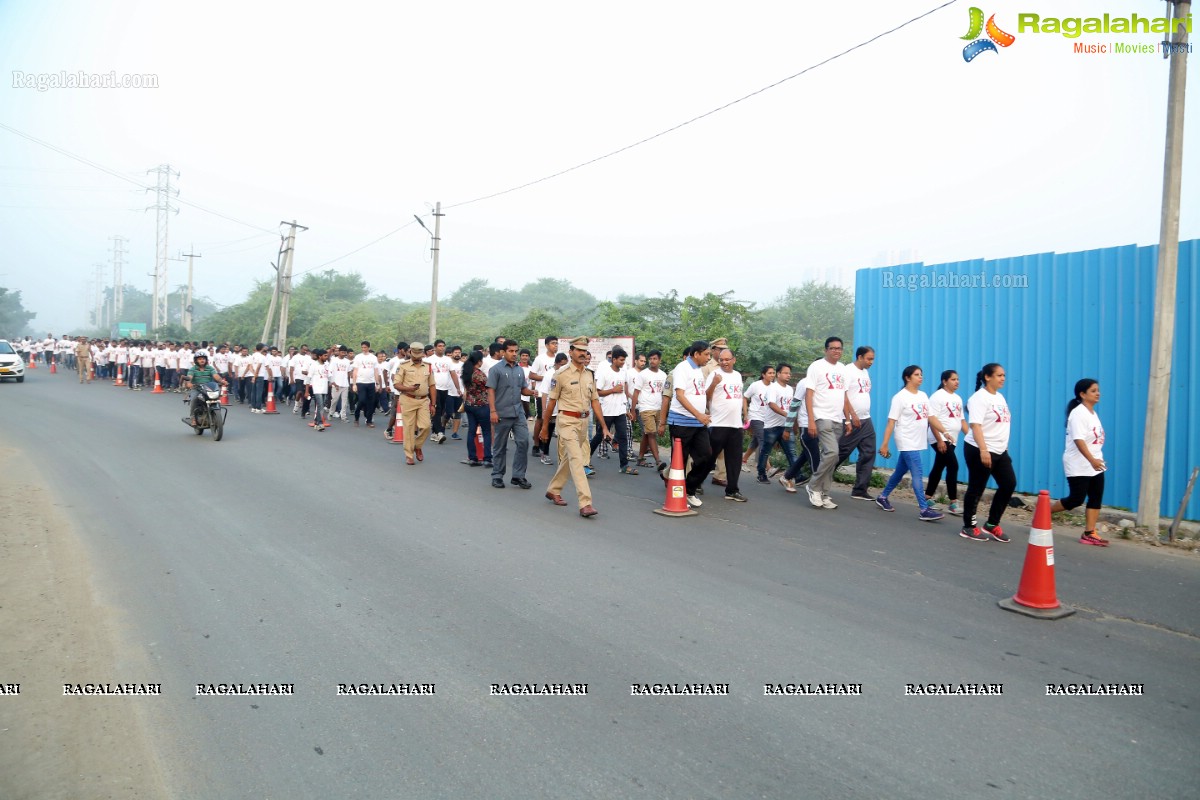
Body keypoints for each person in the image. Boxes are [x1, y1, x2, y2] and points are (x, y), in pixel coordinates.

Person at [541, 336, 608, 517]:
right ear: (571, 352)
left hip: (583, 423)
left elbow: (595, 401)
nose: (582, 353)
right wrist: (545, 426)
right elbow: (551, 402)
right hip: (566, 421)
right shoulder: (561, 375)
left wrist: (604, 426)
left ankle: (554, 490)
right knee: (578, 460)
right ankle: (585, 503)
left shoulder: (589, 375)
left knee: (569, 459)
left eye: (584, 350)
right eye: (578, 350)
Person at [875, 366, 946, 521]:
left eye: (921, 374)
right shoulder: (900, 397)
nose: (921, 377)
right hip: (906, 439)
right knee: (917, 473)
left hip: (917, 439)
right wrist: (885, 444)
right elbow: (891, 422)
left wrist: (944, 432)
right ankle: (924, 508)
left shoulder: (923, 395)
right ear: (908, 378)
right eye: (916, 375)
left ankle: (882, 496)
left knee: (900, 471)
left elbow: (931, 417)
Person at [960, 363, 1015, 543]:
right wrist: (984, 450)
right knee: (977, 488)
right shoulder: (979, 398)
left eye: (1004, 375)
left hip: (999, 450)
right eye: (999, 375)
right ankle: (969, 526)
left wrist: (1003, 448)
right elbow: (975, 425)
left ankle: (991, 524)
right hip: (979, 449)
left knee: (1008, 484)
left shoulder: (999, 397)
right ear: (987, 377)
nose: (1003, 378)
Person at [1051, 379, 1108, 546]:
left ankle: (1089, 532)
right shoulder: (1078, 414)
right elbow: (1078, 440)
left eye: (1098, 390)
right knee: (1076, 499)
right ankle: (1044, 513)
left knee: (1096, 497)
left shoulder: (1092, 413)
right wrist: (1091, 460)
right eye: (1093, 391)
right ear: (1082, 394)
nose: (1098, 393)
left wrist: (1096, 460)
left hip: (1096, 463)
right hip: (1079, 463)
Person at [660, 340, 717, 508]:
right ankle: (677, 496)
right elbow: (679, 395)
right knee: (680, 463)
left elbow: (698, 394)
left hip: (698, 423)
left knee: (707, 457)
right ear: (696, 354)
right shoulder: (682, 368)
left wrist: (703, 413)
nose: (709, 357)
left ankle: (690, 490)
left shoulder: (698, 371)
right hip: (681, 423)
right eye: (706, 354)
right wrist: (698, 414)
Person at [804, 337, 850, 510]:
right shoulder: (816, 367)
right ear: (826, 350)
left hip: (838, 418)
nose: (836, 351)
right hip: (821, 416)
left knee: (832, 457)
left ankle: (824, 493)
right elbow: (809, 395)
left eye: (839, 348)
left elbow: (844, 396)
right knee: (832, 452)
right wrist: (811, 421)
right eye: (833, 348)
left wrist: (848, 419)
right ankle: (813, 486)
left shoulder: (843, 369)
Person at [487, 339, 537, 489]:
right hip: (501, 413)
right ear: (503, 352)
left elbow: (523, 389)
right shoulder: (495, 370)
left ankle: (518, 475)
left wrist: (532, 392)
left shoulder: (520, 370)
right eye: (511, 351)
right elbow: (490, 391)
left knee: (523, 442)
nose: (514, 354)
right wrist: (493, 411)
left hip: (518, 413)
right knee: (500, 446)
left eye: (516, 351)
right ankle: (497, 475)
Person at [837, 346, 878, 501]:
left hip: (865, 419)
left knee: (869, 452)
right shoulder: (848, 371)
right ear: (860, 357)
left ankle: (860, 490)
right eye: (869, 358)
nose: (871, 362)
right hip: (850, 419)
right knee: (841, 453)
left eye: (873, 358)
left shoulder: (865, 372)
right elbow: (843, 395)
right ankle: (819, 479)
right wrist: (851, 416)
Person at [925, 370, 968, 516]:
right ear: (945, 381)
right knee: (953, 465)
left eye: (958, 379)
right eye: (953, 379)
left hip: (952, 438)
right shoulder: (937, 397)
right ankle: (953, 502)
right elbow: (932, 419)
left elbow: (962, 421)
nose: (957, 382)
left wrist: (971, 436)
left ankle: (927, 497)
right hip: (939, 438)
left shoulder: (957, 398)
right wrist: (939, 440)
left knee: (939, 466)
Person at [708, 348, 747, 502]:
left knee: (734, 459)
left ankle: (732, 490)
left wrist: (745, 414)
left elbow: (740, 397)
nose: (724, 362)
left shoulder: (737, 375)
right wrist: (714, 383)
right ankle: (694, 484)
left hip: (735, 425)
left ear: (733, 360)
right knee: (709, 457)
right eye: (721, 360)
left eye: (727, 359)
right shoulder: (714, 375)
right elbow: (707, 396)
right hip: (718, 423)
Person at [589, 345, 635, 475]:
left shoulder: (623, 373)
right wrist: (612, 390)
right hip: (607, 410)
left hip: (620, 410)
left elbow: (623, 392)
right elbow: (598, 393)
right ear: (614, 359)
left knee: (623, 437)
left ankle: (624, 465)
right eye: (621, 360)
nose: (623, 362)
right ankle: (585, 459)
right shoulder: (604, 373)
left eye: (624, 360)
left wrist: (626, 409)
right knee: (599, 436)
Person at [392, 342, 437, 465]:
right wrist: (408, 388)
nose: (417, 356)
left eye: (419, 353)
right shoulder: (403, 366)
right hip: (408, 399)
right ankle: (409, 455)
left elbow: (432, 385)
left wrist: (433, 404)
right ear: (410, 352)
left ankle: (417, 445)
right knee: (409, 428)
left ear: (423, 353)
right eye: (414, 353)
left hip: (423, 400)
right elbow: (396, 384)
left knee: (426, 426)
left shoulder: (428, 366)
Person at [778, 375, 819, 493]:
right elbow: (794, 404)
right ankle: (817, 489)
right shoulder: (805, 383)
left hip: (819, 424)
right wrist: (788, 428)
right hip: (807, 424)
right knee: (814, 458)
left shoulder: (824, 384)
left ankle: (786, 477)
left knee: (806, 454)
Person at [757, 364, 797, 484]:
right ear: (778, 374)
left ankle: (796, 475)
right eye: (785, 373)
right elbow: (772, 404)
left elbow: (792, 406)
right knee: (765, 451)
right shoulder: (773, 388)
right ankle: (761, 474)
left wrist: (792, 421)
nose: (788, 375)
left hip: (786, 426)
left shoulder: (790, 389)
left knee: (791, 452)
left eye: (789, 373)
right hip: (772, 426)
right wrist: (787, 415)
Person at [631, 350, 667, 469]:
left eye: (655, 359)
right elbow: (636, 392)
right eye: (650, 359)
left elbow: (664, 394)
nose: (652, 361)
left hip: (657, 408)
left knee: (647, 433)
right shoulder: (643, 374)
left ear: (659, 360)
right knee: (651, 433)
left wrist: (663, 412)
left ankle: (640, 458)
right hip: (645, 408)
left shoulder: (663, 375)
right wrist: (633, 410)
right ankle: (658, 461)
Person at [530, 336, 560, 459]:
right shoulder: (540, 359)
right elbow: (532, 374)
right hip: (541, 393)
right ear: (547, 345)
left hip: (555, 394)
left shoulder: (560, 360)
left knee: (552, 420)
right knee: (541, 419)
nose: (555, 346)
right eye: (553, 343)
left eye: (557, 344)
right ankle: (536, 445)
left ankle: (545, 443)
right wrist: (548, 378)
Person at [460, 350, 492, 466]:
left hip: (469, 405)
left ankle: (472, 457)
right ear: (479, 361)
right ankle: (487, 458)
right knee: (486, 432)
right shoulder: (479, 374)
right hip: (482, 405)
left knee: (471, 432)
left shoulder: (466, 373)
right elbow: (489, 386)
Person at [741, 365, 775, 473]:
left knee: (756, 441)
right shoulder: (756, 385)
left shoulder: (774, 387)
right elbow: (745, 397)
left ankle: (743, 460)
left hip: (767, 418)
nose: (772, 375)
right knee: (763, 441)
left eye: (773, 373)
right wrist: (746, 414)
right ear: (763, 375)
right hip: (755, 416)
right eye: (769, 373)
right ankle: (768, 468)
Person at [179, 353, 228, 428]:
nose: (202, 360)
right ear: (196, 361)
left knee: (216, 398)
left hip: (208, 388)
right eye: (200, 359)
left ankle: (215, 415)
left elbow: (216, 376)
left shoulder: (210, 368)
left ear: (206, 360)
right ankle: (193, 418)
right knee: (194, 399)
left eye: (203, 359)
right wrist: (188, 382)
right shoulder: (193, 369)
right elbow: (190, 377)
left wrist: (222, 381)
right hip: (197, 388)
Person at [351, 341, 381, 428]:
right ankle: (356, 417)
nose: (364, 349)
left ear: (368, 347)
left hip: (371, 382)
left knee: (371, 403)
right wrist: (354, 384)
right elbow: (355, 371)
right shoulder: (358, 357)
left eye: (365, 347)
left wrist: (377, 383)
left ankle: (369, 420)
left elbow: (376, 371)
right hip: (361, 382)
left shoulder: (373, 358)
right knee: (362, 400)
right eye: (362, 347)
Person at [307, 349, 332, 431]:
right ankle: (320, 423)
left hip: (324, 388)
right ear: (319, 356)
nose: (326, 357)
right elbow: (308, 378)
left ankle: (316, 422)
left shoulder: (326, 365)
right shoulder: (314, 365)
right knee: (320, 406)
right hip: (317, 388)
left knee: (321, 406)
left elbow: (329, 376)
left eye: (327, 356)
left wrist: (333, 383)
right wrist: (307, 391)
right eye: (325, 356)